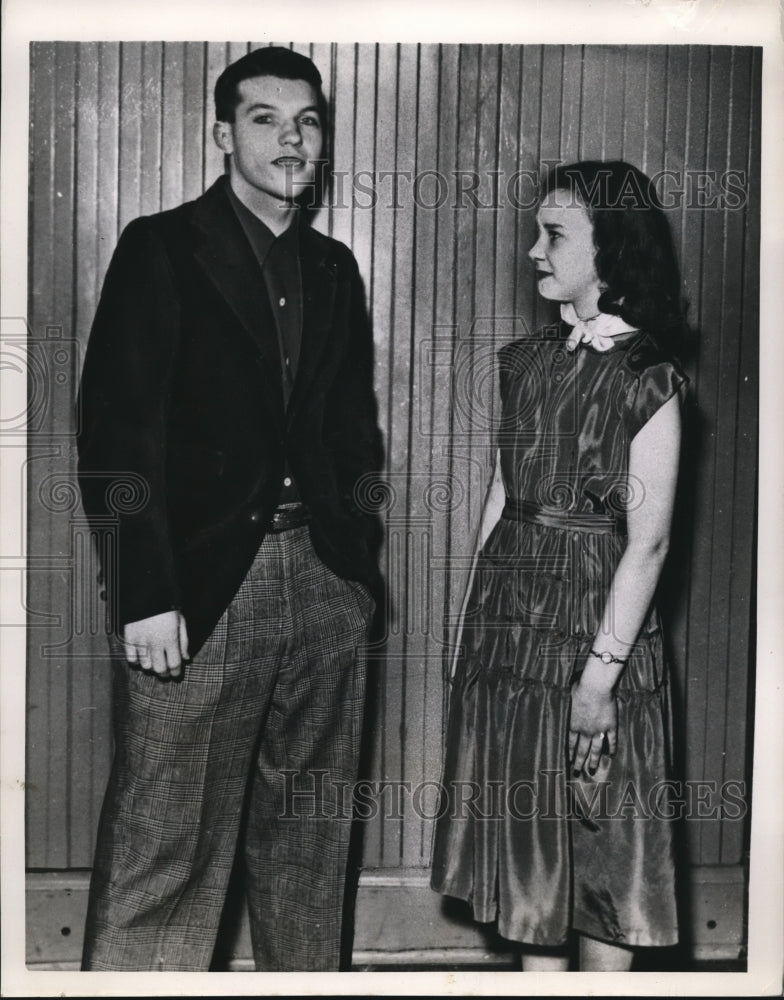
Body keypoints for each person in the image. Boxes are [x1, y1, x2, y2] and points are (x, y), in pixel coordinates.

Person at [76, 46, 381, 972]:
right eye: (264, 118)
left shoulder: (334, 268)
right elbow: (115, 439)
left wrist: (356, 572)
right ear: (221, 134)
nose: (292, 138)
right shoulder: (161, 248)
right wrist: (143, 593)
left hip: (324, 588)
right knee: (163, 853)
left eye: (310, 120)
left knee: (308, 858)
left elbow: (353, 438)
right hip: (202, 593)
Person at [430, 160, 688, 971]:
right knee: (528, 876)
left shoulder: (650, 377)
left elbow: (647, 543)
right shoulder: (527, 360)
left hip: (595, 642)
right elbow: (502, 497)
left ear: (608, 250)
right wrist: (471, 631)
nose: (533, 251)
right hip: (514, 642)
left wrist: (597, 684)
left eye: (553, 235)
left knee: (603, 862)